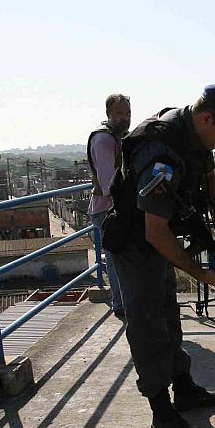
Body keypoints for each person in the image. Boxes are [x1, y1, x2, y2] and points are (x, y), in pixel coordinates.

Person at [110, 84, 215, 428]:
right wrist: (199, 272)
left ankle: (183, 389)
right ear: (206, 119)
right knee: (148, 326)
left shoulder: (193, 134)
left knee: (168, 315)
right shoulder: (162, 150)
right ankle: (162, 415)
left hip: (158, 239)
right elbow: (154, 231)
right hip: (136, 243)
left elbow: (208, 175)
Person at [86, 93, 131, 320]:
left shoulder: (117, 137)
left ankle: (124, 302)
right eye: (119, 113)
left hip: (113, 207)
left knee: (121, 258)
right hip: (107, 209)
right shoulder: (104, 139)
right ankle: (121, 304)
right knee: (116, 259)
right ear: (108, 114)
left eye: (128, 113)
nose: (125, 118)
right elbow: (108, 183)